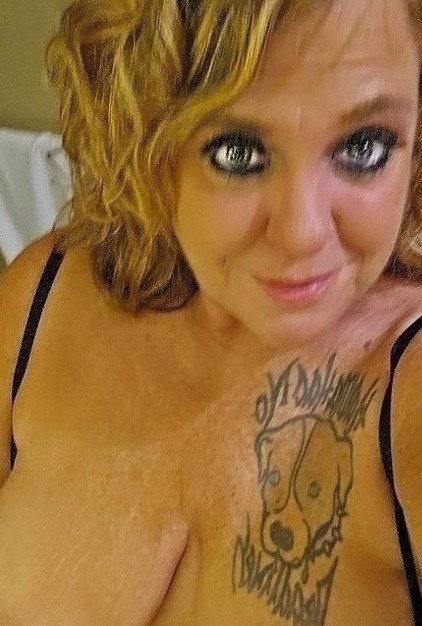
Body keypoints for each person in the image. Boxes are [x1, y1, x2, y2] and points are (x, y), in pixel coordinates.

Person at [0, 0, 421, 623]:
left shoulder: (408, 388)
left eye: (364, 146)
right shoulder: (43, 299)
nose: (302, 233)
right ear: (146, 132)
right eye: (238, 152)